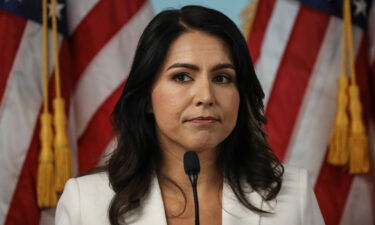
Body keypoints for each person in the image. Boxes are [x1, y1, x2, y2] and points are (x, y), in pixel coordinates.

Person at [55, 5, 325, 225]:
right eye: (182, 76)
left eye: (222, 78)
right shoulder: (85, 203)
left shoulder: (293, 194)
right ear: (147, 97)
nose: (206, 96)